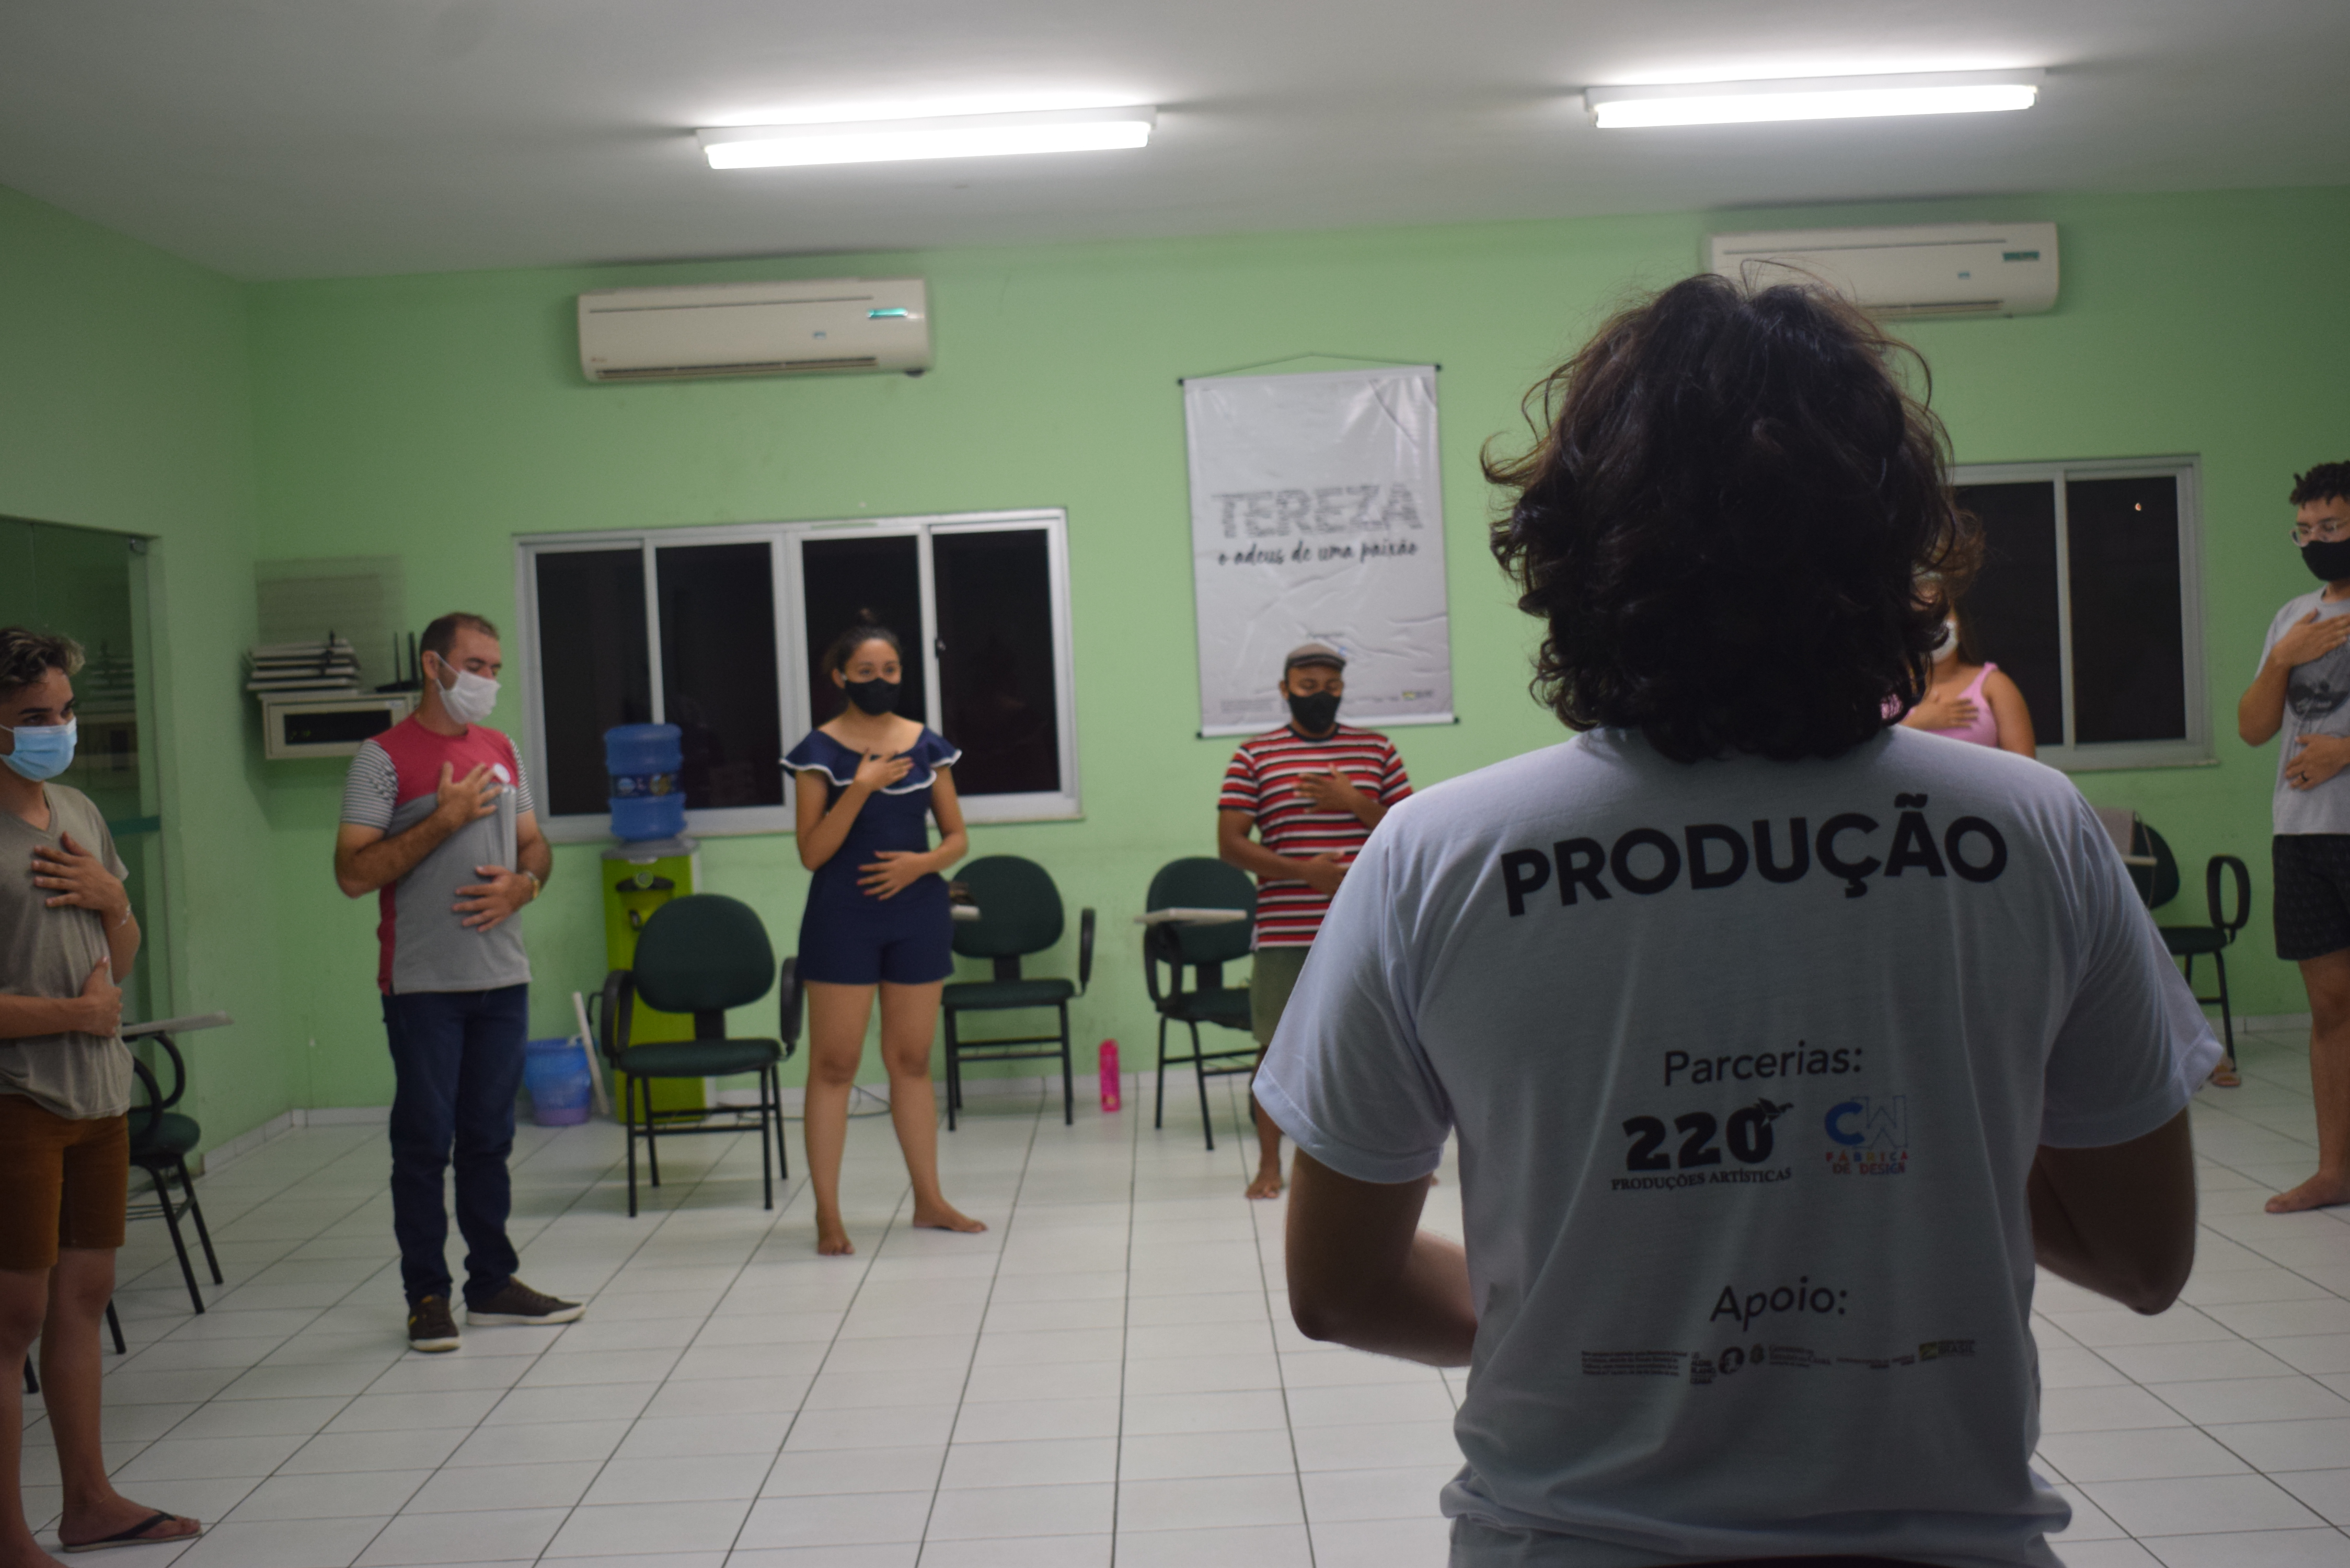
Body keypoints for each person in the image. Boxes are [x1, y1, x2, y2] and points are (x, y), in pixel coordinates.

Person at [1259, 276, 2215, 1567]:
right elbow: (2141, 1255)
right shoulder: (2033, 830)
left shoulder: (1441, 855)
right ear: (1892, 547)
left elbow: (1337, 1288)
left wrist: (1585, 1333)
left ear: (1572, 549)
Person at [0, 629, 203, 1566]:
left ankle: (88, 1503)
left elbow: (119, 956)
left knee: (82, 1297)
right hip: (18, 1100)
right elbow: (85, 1001)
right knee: (13, 1318)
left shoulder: (77, 810)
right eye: (33, 716)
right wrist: (70, 1017)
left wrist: (110, 900)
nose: (57, 729)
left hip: (96, 1096)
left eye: (65, 711)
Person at [333, 612, 579, 1352]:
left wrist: (526, 887)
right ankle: (427, 1297)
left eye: (496, 668)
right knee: (423, 1143)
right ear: (433, 665)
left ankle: (493, 1284)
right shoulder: (381, 759)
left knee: (488, 1139)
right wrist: (444, 820)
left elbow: (535, 845)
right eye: (476, 666)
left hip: (502, 977)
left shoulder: (502, 749)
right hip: (423, 986)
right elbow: (353, 874)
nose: (489, 681)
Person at [788, 615, 984, 1256]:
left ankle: (929, 1201)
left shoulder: (926, 745)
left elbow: (956, 838)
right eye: (866, 671)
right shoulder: (817, 751)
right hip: (842, 916)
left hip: (917, 913)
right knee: (834, 1065)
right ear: (840, 677)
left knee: (911, 1061)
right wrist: (860, 788)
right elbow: (812, 853)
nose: (880, 680)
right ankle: (828, 1214)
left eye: (890, 670)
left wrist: (920, 866)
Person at [1216, 643, 1411, 1199]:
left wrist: (1354, 801)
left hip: (1367, 930)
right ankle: (1269, 1166)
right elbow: (1230, 845)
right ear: (1284, 690)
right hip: (1286, 931)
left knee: (1382, 1046)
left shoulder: (1376, 750)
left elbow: (1409, 829)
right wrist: (1305, 872)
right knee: (1276, 1049)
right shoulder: (1254, 756)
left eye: (1331, 686)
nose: (1320, 695)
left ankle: (1391, 1161)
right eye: (1307, 686)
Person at [2239, 461, 2350, 1212]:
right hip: (2303, 834)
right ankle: (2334, 1171)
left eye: (2330, 527)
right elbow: (2253, 729)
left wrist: (2346, 751)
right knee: (2331, 1007)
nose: (2315, 541)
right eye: (2304, 530)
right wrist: (2282, 660)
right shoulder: (2292, 617)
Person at [1897, 599, 2036, 757]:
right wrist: (1915, 722)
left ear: (1960, 623)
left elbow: (2025, 767)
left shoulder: (1995, 685)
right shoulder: (1888, 689)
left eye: (1942, 614)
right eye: (1923, 617)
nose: (1934, 625)